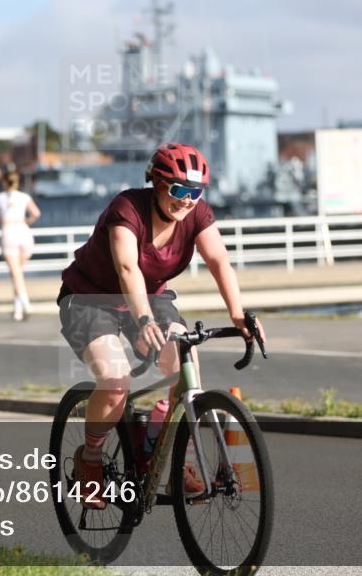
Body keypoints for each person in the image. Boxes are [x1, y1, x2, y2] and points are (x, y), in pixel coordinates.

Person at [56, 143, 266, 509]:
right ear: (156, 182)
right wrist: (143, 320)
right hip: (89, 298)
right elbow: (126, 268)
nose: (186, 201)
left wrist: (238, 315)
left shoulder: (197, 214)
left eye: (195, 192)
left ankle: (159, 448)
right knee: (116, 379)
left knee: (185, 368)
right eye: (178, 190)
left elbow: (218, 260)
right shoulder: (128, 208)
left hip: (150, 297)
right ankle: (89, 460)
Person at [0, 171, 41, 321]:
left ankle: (26, 305)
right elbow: (36, 213)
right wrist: (26, 221)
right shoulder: (25, 197)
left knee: (16, 275)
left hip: (9, 233)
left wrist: (1, 221)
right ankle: (17, 310)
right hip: (24, 232)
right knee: (18, 274)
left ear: (4, 182)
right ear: (17, 183)